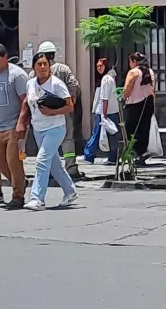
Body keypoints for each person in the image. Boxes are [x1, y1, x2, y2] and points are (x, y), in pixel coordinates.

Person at [23, 52, 78, 210]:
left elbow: (69, 106)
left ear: (49, 66)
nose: (42, 67)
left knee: (41, 161)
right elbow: (29, 104)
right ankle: (70, 191)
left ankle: (37, 198)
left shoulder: (57, 84)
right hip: (38, 129)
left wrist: (52, 112)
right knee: (53, 164)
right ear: (34, 67)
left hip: (55, 127)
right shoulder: (30, 83)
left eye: (45, 64)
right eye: (39, 64)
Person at [29, 41, 83, 180]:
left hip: (42, 114)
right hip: (62, 111)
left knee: (46, 145)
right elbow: (74, 85)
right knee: (67, 140)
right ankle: (70, 168)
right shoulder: (63, 69)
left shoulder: (33, 73)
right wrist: (71, 101)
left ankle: (50, 171)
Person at [0, 43, 28, 209]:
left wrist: (21, 123)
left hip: (13, 125)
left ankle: (18, 196)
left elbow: (25, 101)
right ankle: (20, 182)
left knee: (13, 161)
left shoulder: (17, 75)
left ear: (4, 57)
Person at [83, 58, 119, 166]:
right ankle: (112, 157)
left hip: (104, 111)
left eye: (101, 66)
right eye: (97, 66)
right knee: (110, 134)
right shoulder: (108, 77)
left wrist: (103, 114)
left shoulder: (106, 79)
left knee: (97, 133)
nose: (99, 68)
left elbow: (105, 98)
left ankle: (89, 155)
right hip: (110, 110)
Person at [122, 52, 155, 164]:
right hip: (148, 103)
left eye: (130, 61)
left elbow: (127, 91)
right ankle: (143, 152)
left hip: (135, 104)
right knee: (144, 129)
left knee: (131, 130)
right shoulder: (150, 72)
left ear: (134, 61)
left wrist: (123, 96)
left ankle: (133, 153)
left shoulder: (133, 73)